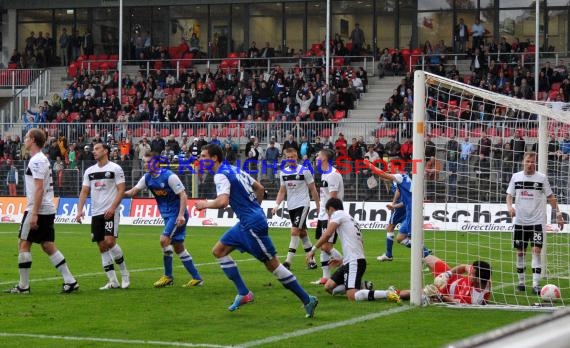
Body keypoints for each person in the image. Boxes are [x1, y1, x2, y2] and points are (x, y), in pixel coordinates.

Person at [195, 144, 318, 317]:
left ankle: (307, 299)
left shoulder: (221, 175)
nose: (200, 159)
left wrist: (204, 204)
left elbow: (222, 202)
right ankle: (244, 293)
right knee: (219, 251)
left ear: (214, 158)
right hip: (247, 221)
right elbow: (260, 188)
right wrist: (255, 209)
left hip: (251, 224)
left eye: (203, 155)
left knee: (272, 264)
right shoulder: (233, 169)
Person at [5, 128, 79, 294]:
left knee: (23, 243)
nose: (24, 140)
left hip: (37, 208)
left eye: (26, 138)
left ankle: (23, 286)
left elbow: (39, 189)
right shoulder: (41, 159)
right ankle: (70, 280)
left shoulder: (37, 160)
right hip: (47, 208)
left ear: (32, 139)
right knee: (47, 245)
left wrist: (34, 214)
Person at [125, 152, 203, 288]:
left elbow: (183, 195)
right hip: (167, 215)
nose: (145, 164)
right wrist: (116, 192)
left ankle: (168, 276)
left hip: (177, 214)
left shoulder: (169, 177)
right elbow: (132, 192)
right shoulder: (147, 178)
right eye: (144, 162)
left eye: (147, 162)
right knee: (178, 247)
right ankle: (197, 278)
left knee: (164, 240)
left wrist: (180, 215)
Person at [306, 197, 400, 303]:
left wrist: (312, 250)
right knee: (328, 287)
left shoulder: (337, 214)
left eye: (327, 212)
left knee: (351, 295)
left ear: (331, 209)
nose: (328, 216)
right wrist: (342, 261)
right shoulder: (350, 219)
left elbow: (327, 234)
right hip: (351, 261)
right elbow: (360, 243)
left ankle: (387, 293)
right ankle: (362, 285)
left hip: (354, 262)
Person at [506, 151, 564, 295]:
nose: (530, 164)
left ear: (535, 163)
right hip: (520, 221)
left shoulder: (542, 178)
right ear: (523, 162)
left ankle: (536, 284)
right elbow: (509, 195)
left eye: (532, 162)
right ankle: (521, 283)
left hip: (537, 221)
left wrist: (558, 214)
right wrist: (509, 207)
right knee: (520, 253)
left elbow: (551, 197)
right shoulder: (516, 177)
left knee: (536, 251)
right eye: (528, 161)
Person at [76, 142, 130, 290]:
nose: (94, 152)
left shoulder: (115, 168)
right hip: (96, 212)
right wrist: (79, 210)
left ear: (105, 151)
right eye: (93, 149)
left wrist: (113, 208)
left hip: (110, 211)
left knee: (110, 241)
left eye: (97, 149)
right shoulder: (89, 171)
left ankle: (125, 274)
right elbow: (84, 191)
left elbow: (121, 189)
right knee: (101, 246)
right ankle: (112, 281)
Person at [366, 160, 432, 257]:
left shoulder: (399, 176)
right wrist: (394, 205)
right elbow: (405, 199)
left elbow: (384, 175)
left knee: (413, 239)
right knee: (400, 238)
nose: (388, 169)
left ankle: (427, 258)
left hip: (412, 211)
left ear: (396, 167)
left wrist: (370, 165)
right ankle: (425, 254)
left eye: (389, 166)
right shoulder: (404, 177)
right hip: (410, 209)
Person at [272, 148, 320, 270]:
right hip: (291, 206)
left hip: (303, 204)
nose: (290, 159)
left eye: (292, 157)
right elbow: (282, 191)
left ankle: (288, 262)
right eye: (287, 157)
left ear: (296, 157)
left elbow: (313, 189)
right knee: (302, 233)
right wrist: (276, 205)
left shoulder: (304, 171)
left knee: (294, 231)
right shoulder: (283, 172)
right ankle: (312, 261)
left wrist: (318, 206)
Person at [399, 255, 492, 305]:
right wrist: (447, 274)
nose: (469, 274)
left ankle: (388, 293)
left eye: (472, 274)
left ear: (479, 280)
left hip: (444, 291)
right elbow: (463, 267)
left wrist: (438, 295)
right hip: (452, 278)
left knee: (405, 294)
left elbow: (453, 302)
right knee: (428, 258)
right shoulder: (485, 279)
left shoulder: (474, 300)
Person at [311, 149, 344, 285]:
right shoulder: (325, 174)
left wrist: (331, 218)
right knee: (323, 246)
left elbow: (333, 197)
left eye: (318, 155)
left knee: (326, 247)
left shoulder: (333, 174)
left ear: (324, 158)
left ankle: (344, 263)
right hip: (323, 215)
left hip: (331, 215)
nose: (316, 157)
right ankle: (325, 277)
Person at [376, 183, 406, 262]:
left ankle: (424, 252)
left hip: (400, 208)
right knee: (407, 234)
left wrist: (393, 204)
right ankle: (424, 252)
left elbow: (398, 191)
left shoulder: (397, 179)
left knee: (391, 229)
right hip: (406, 206)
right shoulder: (403, 178)